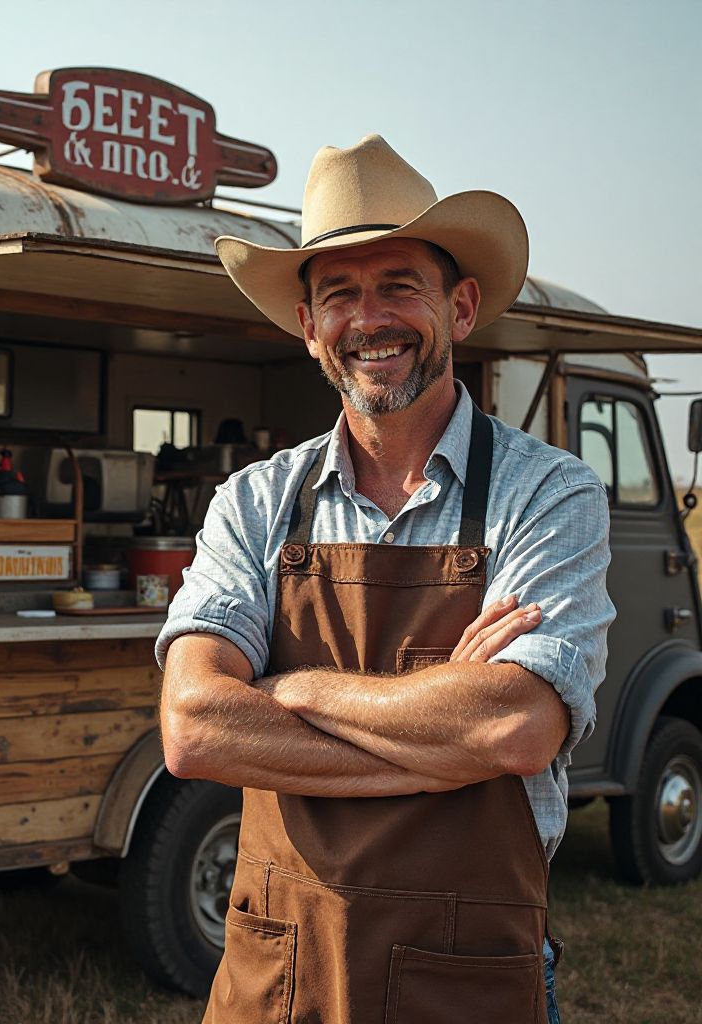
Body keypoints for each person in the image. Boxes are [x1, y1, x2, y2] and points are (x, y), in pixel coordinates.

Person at [156, 135, 615, 1024]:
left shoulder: (548, 493)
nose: (370, 319)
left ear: (462, 305)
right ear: (308, 326)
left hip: (468, 979)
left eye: (399, 284)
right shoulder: (254, 501)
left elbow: (517, 725)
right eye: (339, 294)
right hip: (275, 977)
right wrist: (444, 732)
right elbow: (195, 726)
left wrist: (287, 688)